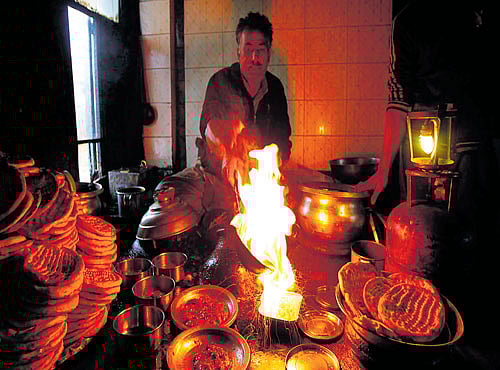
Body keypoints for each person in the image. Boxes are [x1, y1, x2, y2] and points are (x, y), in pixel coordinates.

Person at [361, 0, 499, 355]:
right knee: (415, 249)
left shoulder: (477, 15)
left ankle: (461, 345)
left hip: (471, 148)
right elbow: (399, 95)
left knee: (468, 254)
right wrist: (383, 172)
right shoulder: (409, 19)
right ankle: (416, 341)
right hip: (423, 145)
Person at [155, 12, 292, 234]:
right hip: (213, 177)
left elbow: (282, 142)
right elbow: (212, 124)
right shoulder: (221, 81)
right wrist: (228, 151)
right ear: (238, 51)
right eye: (248, 49)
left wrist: (271, 175)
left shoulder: (275, 89)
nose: (254, 56)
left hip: (257, 185)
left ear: (268, 54)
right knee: (169, 194)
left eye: (260, 49)